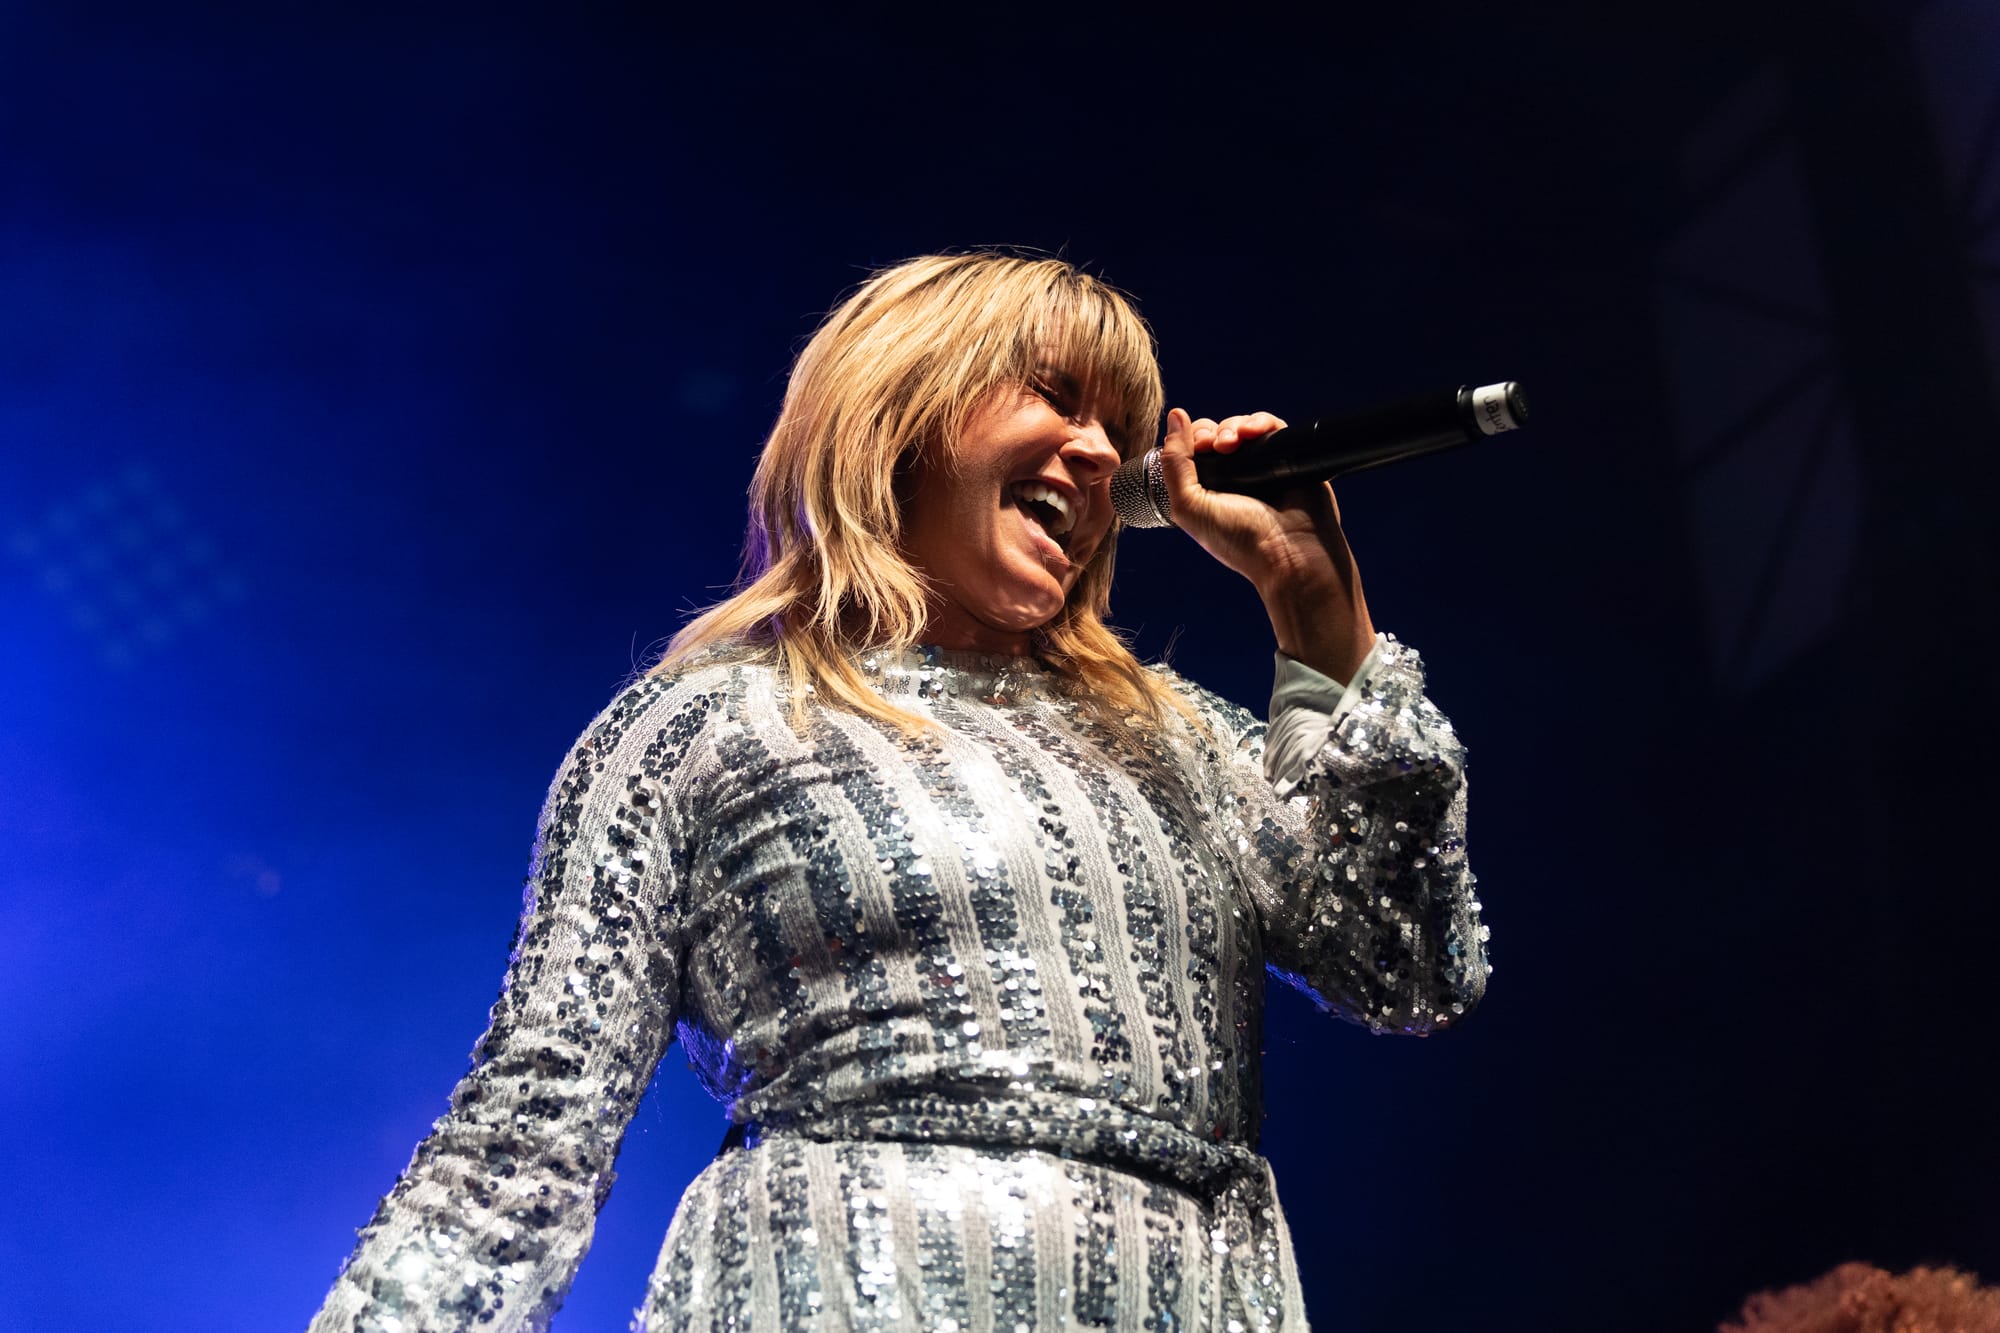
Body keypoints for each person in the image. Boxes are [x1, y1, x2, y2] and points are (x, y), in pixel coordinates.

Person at [308, 252, 1490, 1332]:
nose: (1098, 454)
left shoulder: (1173, 739)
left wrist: (1314, 609)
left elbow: (1406, 967)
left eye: (1118, 431)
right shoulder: (705, 727)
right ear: (901, 415)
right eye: (1055, 398)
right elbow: (530, 1131)